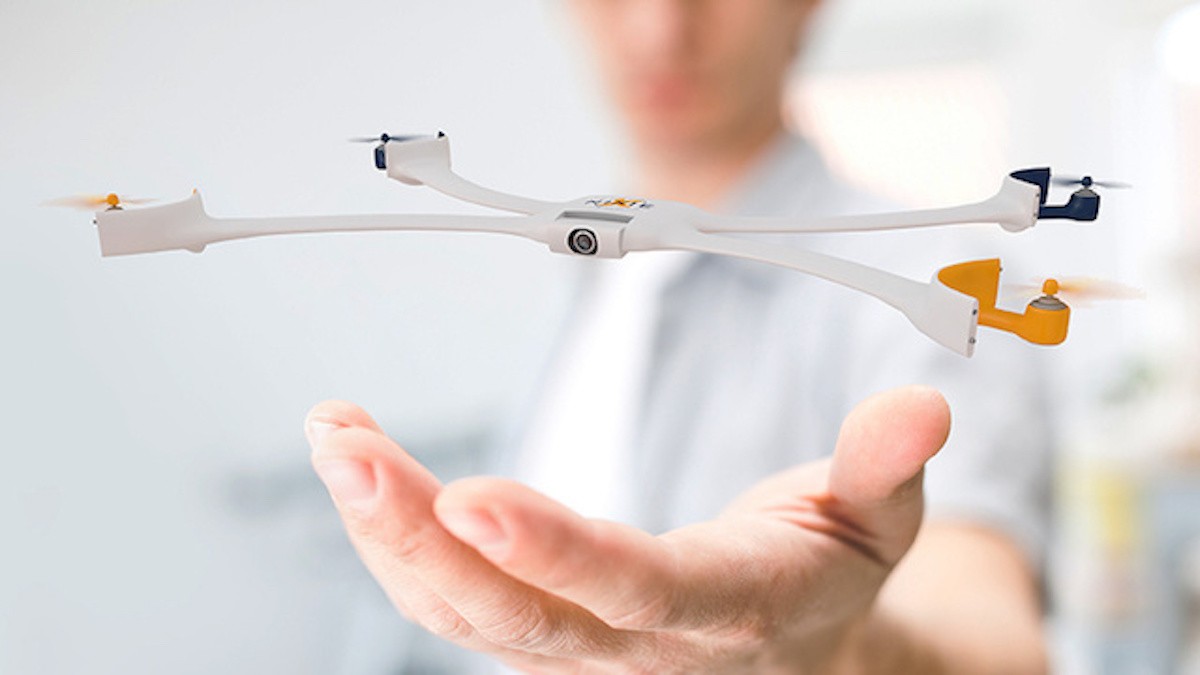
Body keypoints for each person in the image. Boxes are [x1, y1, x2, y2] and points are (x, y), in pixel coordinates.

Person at [306, 0, 1051, 672]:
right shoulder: (582, 274)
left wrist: (846, 652)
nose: (659, 29)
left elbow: (983, 619)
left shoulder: (928, 285)